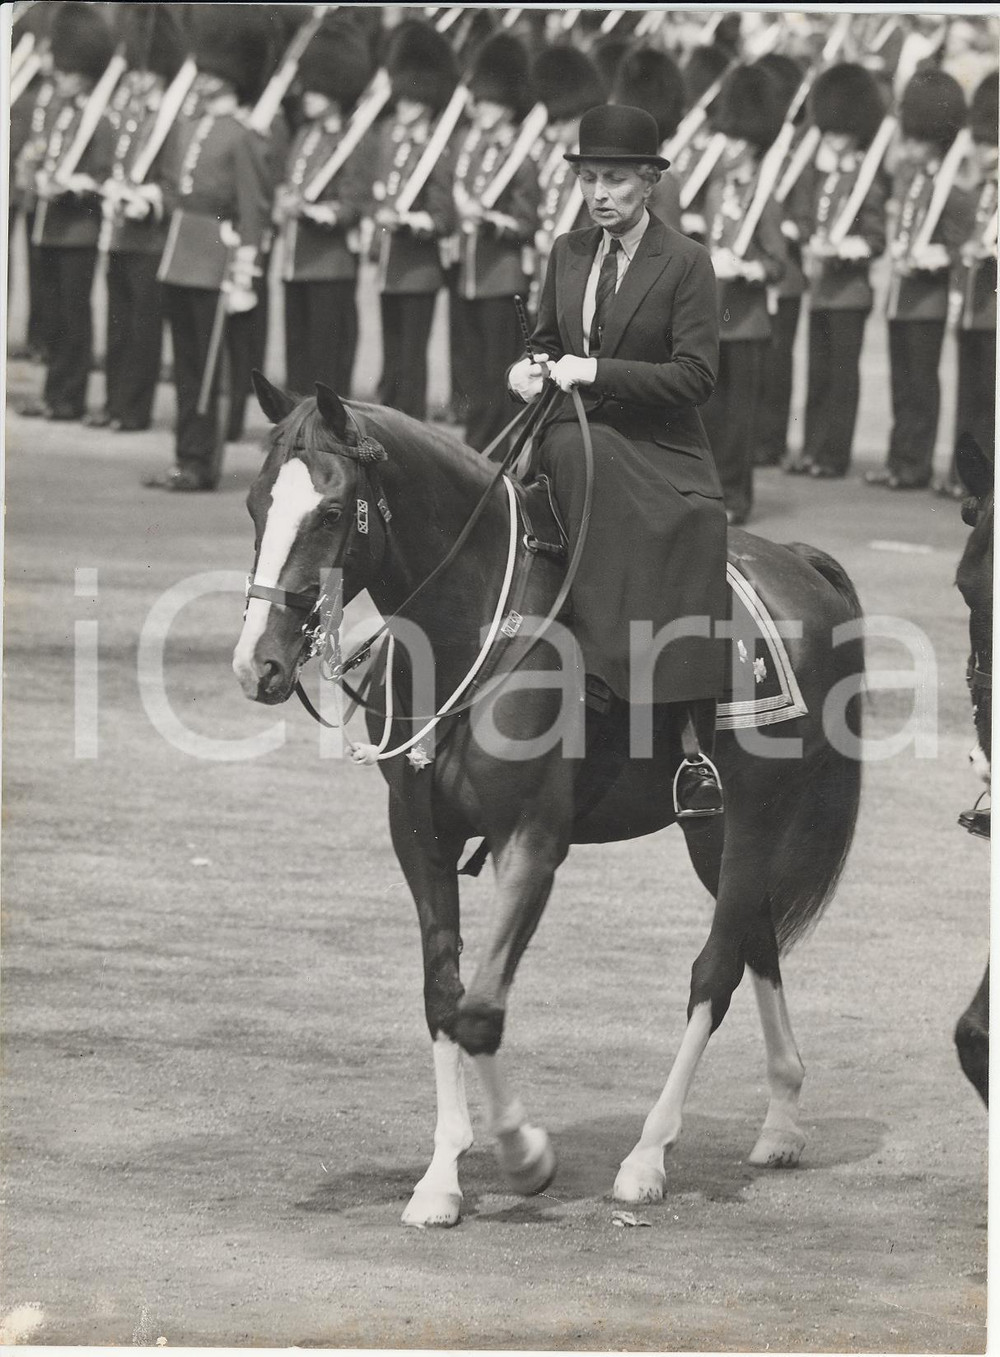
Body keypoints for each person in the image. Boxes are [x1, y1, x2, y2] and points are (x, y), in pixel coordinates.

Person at [507, 104, 727, 817]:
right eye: (589, 179)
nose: (599, 194)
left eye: (616, 180)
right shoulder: (568, 251)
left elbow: (696, 377)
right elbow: (546, 340)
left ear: (650, 181)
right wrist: (530, 368)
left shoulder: (687, 263)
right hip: (571, 431)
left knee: (575, 451)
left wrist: (594, 372)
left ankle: (668, 723)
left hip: (658, 446)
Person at [146, 7, 272, 492]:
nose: (202, 80)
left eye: (212, 73)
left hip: (215, 262)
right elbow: (177, 188)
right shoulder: (190, 126)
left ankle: (203, 461)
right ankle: (185, 455)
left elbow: (252, 212)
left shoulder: (242, 137)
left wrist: (244, 274)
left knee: (206, 373)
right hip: (180, 254)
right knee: (185, 366)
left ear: (229, 79)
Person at [866, 68, 975, 491]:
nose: (908, 148)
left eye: (916, 140)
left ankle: (916, 463)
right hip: (901, 297)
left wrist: (934, 258)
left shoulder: (952, 189)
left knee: (920, 387)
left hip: (927, 300)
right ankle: (900, 460)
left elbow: (958, 246)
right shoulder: (913, 180)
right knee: (902, 387)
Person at [88, 4, 187, 433]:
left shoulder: (171, 121)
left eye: (145, 70)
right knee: (117, 325)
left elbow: (175, 183)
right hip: (121, 236)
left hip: (151, 241)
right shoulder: (131, 116)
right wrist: (111, 190)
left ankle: (134, 409)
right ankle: (113, 402)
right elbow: (114, 166)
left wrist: (150, 199)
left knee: (143, 331)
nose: (138, 77)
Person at [698, 65, 787, 526]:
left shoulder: (764, 199)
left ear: (750, 144)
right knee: (709, 417)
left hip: (748, 323)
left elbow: (778, 263)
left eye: (733, 140)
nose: (725, 146)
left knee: (739, 422)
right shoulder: (715, 190)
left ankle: (737, 497)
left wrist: (748, 268)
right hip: (715, 317)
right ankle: (712, 491)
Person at [789, 62, 888, 479]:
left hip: (850, 292)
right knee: (818, 375)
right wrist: (807, 236)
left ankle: (833, 454)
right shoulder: (825, 178)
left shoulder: (866, 179)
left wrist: (845, 248)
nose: (832, 139)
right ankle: (812, 449)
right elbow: (810, 218)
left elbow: (875, 238)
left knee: (842, 379)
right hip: (822, 290)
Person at [19, 3, 115, 423]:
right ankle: (53, 392)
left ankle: (70, 396)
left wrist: (71, 188)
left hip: (77, 230)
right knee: (53, 316)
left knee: (74, 318)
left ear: (86, 71)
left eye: (68, 68)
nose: (58, 74)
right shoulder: (58, 113)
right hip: (47, 228)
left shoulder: (100, 120)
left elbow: (102, 178)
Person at [273, 13, 374, 396]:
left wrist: (312, 211)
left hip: (329, 264)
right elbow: (291, 181)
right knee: (297, 354)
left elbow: (352, 203)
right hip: (296, 262)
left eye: (316, 90)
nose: (308, 95)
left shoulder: (348, 141)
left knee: (327, 357)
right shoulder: (304, 135)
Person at [451, 33, 541, 451]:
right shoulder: (472, 150)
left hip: (501, 278)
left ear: (506, 106)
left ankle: (497, 443)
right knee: (472, 369)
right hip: (470, 274)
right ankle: (476, 439)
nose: (480, 108)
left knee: (498, 369)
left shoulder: (519, 157)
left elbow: (525, 222)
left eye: (489, 102)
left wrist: (488, 222)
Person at [370, 20, 459, 422]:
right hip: (389, 266)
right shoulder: (390, 135)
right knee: (391, 353)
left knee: (411, 355)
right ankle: (388, 418)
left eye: (410, 100)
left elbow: (443, 217)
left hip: (418, 268)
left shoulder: (435, 149)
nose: (402, 105)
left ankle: (410, 423)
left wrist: (406, 221)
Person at [943, 71, 998, 496]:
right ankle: (965, 474)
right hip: (972, 310)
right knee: (970, 398)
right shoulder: (980, 193)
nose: (985, 152)